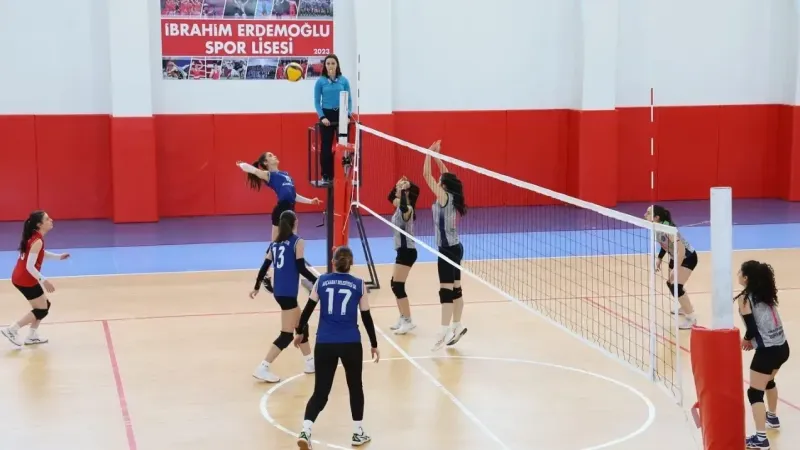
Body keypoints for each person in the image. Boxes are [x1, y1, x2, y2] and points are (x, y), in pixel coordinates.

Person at [293, 246, 378, 449]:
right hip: (351, 343)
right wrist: (374, 344)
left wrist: (300, 332)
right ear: (351, 263)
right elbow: (366, 316)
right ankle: (357, 432)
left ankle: (306, 430)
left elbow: (307, 310)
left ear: (333, 262)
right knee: (355, 387)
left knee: (320, 392)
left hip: (325, 343)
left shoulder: (321, 281)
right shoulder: (359, 284)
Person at [250, 211, 319, 382]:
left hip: (280, 292)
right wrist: (317, 280)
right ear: (295, 222)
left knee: (301, 325)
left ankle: (309, 362)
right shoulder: (298, 242)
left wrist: (257, 286)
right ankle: (263, 367)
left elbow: (264, 266)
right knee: (287, 335)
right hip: (288, 293)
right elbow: (301, 268)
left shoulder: (274, 244)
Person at [736, 260, 790, 449]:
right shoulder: (765, 294)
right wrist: (753, 341)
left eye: (740, 272)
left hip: (768, 352)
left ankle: (761, 439)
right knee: (768, 381)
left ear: (746, 278)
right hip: (782, 348)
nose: (737, 274)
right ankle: (772, 418)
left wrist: (746, 340)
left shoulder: (745, 298)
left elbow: (752, 328)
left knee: (754, 393)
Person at [422, 140, 468, 351]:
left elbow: (426, 175)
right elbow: (446, 174)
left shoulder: (442, 197)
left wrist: (427, 153)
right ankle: (457, 325)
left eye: (440, 180)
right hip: (456, 248)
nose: (439, 180)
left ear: (443, 185)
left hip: (447, 251)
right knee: (456, 289)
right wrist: (437, 156)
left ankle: (444, 330)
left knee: (446, 291)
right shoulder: (453, 195)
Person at [1, 211, 70, 347]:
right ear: (39, 224)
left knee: (44, 306)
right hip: (25, 279)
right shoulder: (37, 241)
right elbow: (29, 267)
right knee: (41, 309)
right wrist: (44, 280)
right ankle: (12, 330)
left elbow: (40, 253)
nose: (51, 220)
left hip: (22, 277)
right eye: (47, 219)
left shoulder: (35, 238)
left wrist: (58, 257)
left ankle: (32, 336)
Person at [645, 205, 698, 330]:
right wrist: (659, 258)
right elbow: (665, 244)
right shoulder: (658, 227)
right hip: (676, 256)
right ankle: (685, 307)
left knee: (676, 286)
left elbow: (681, 250)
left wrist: (676, 268)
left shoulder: (668, 229)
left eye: (648, 213)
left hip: (687, 257)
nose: (644, 215)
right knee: (671, 284)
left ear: (656, 217)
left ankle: (691, 318)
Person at [386, 176, 420, 335]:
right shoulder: (399, 204)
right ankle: (402, 317)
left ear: (406, 193)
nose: (396, 189)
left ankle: (408, 321)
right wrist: (398, 184)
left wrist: (404, 188)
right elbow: (390, 197)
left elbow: (405, 207)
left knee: (397, 286)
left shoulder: (408, 209)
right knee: (394, 284)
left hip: (407, 252)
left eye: (400, 188)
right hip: (402, 251)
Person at [313, 54, 352, 184]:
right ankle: (326, 175)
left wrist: (347, 115)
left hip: (341, 114)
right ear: (325, 66)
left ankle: (343, 174)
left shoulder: (344, 81)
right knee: (326, 146)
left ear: (337, 65)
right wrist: (322, 116)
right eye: (328, 63)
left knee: (343, 145)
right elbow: (316, 102)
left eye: (333, 63)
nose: (330, 66)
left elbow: (349, 100)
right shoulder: (320, 82)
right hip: (327, 115)